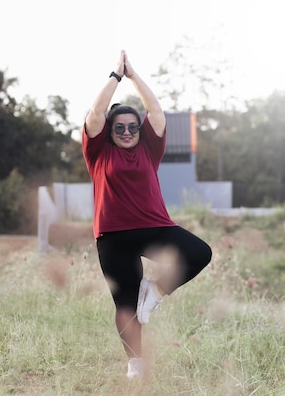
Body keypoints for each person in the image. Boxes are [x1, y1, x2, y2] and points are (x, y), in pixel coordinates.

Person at [82, 50, 212, 379]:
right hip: (112, 236)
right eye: (119, 127)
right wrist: (115, 75)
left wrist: (134, 75)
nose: (127, 131)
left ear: (140, 131)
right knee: (125, 303)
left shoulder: (149, 148)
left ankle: (154, 291)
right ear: (109, 131)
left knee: (200, 253)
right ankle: (135, 363)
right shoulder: (98, 152)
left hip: (154, 228)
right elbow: (96, 113)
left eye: (132, 127)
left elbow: (155, 111)